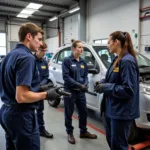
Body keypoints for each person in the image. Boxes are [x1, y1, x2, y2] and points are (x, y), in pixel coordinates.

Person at [0, 22, 60, 150]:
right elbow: (21, 96)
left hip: (6, 112)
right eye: (38, 39)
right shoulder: (27, 57)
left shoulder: (9, 56)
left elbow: (11, 84)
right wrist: (47, 94)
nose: (40, 44)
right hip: (21, 116)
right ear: (29, 36)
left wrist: (40, 88)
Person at [94, 31, 140, 150]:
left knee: (119, 145)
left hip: (121, 112)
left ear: (116, 42)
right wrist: (103, 82)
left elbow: (128, 89)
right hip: (111, 109)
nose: (107, 45)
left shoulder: (127, 61)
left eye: (109, 42)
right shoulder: (117, 59)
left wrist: (106, 87)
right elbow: (113, 79)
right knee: (113, 143)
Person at [62, 39, 97, 144]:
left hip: (81, 92)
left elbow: (85, 75)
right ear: (73, 48)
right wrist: (79, 85)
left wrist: (85, 84)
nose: (81, 49)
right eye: (79, 47)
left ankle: (83, 131)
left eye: (82, 47)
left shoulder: (83, 62)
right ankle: (70, 133)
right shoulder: (67, 61)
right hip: (70, 91)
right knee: (69, 113)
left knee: (83, 112)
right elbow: (66, 77)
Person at [35, 42, 53, 138]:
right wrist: (37, 85)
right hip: (31, 90)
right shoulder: (30, 60)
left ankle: (41, 129)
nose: (44, 53)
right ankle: (31, 130)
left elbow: (46, 76)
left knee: (40, 110)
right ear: (37, 49)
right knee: (29, 111)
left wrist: (42, 84)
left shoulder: (44, 62)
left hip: (40, 90)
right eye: (42, 51)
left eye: (45, 51)